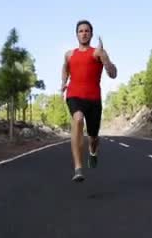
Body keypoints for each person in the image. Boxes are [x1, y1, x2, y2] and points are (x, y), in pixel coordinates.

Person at [61, 19, 117, 182]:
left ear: (91, 34)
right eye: (80, 31)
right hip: (74, 95)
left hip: (93, 99)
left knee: (93, 137)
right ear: (76, 34)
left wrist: (105, 59)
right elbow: (65, 68)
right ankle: (78, 168)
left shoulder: (97, 52)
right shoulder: (69, 54)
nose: (83, 33)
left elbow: (113, 74)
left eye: (87, 31)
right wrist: (64, 83)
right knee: (77, 120)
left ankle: (93, 152)